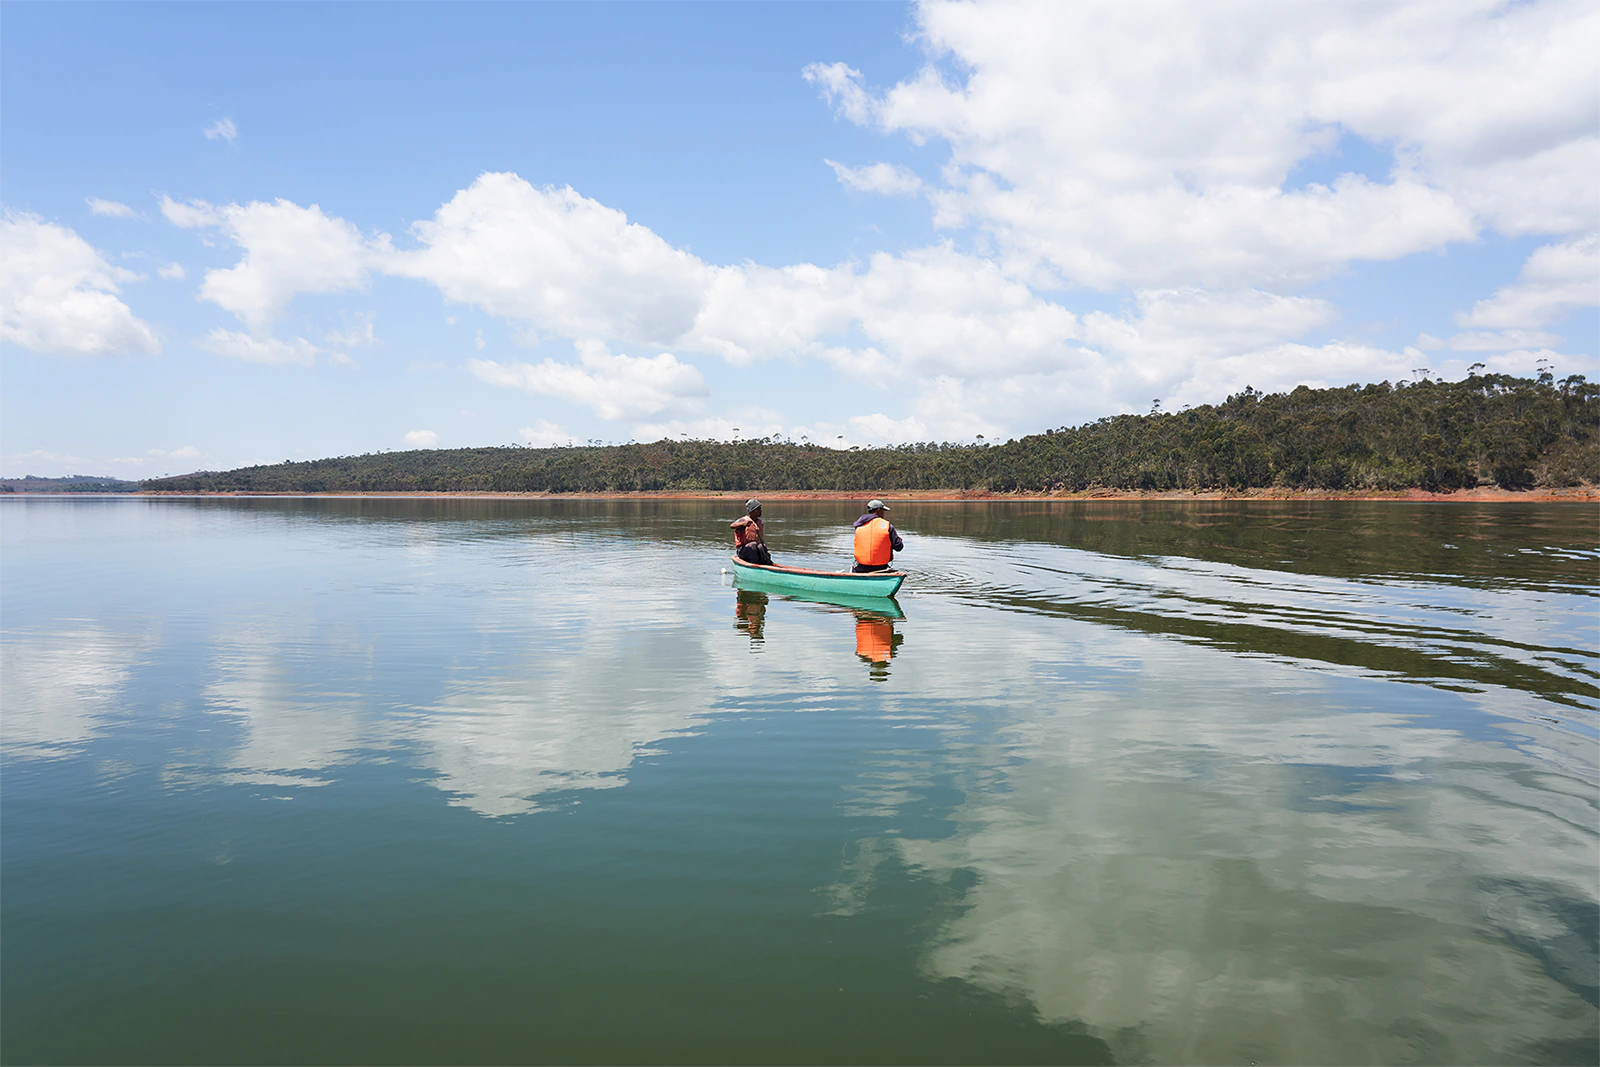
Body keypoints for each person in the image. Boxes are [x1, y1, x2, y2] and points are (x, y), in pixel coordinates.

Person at [852, 498, 903, 572]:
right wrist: (899, 540)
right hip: (881, 568)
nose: (883, 513)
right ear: (878, 510)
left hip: (861, 567)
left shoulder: (859, 526)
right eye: (883, 511)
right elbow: (899, 547)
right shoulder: (887, 526)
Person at [730, 498, 773, 565]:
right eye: (758, 509)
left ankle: (766, 563)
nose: (761, 511)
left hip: (755, 550)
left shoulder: (759, 522)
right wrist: (742, 524)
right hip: (744, 551)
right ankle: (754, 565)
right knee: (752, 545)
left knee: (761, 546)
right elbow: (732, 526)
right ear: (752, 511)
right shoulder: (744, 520)